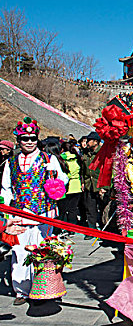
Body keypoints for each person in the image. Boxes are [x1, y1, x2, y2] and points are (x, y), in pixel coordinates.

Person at [1, 117, 68, 305]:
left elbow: (62, 181)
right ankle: (21, 290)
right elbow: (6, 189)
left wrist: (55, 185)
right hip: (18, 215)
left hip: (43, 213)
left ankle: (42, 289)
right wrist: (6, 212)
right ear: (18, 140)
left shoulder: (49, 159)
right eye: (25, 138)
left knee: (42, 251)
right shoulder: (10, 163)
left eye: (32, 138)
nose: (29, 142)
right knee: (19, 252)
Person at [81, 132, 109, 239]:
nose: (87, 143)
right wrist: (83, 182)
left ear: (95, 142)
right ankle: (92, 230)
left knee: (103, 209)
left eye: (89, 141)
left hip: (100, 186)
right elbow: (83, 171)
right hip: (89, 185)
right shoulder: (86, 154)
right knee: (90, 208)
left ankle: (104, 230)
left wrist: (105, 187)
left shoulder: (103, 154)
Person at [58, 141, 84, 230]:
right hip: (77, 185)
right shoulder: (77, 158)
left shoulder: (62, 159)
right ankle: (73, 228)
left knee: (65, 209)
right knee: (73, 209)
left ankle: (66, 227)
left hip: (67, 186)